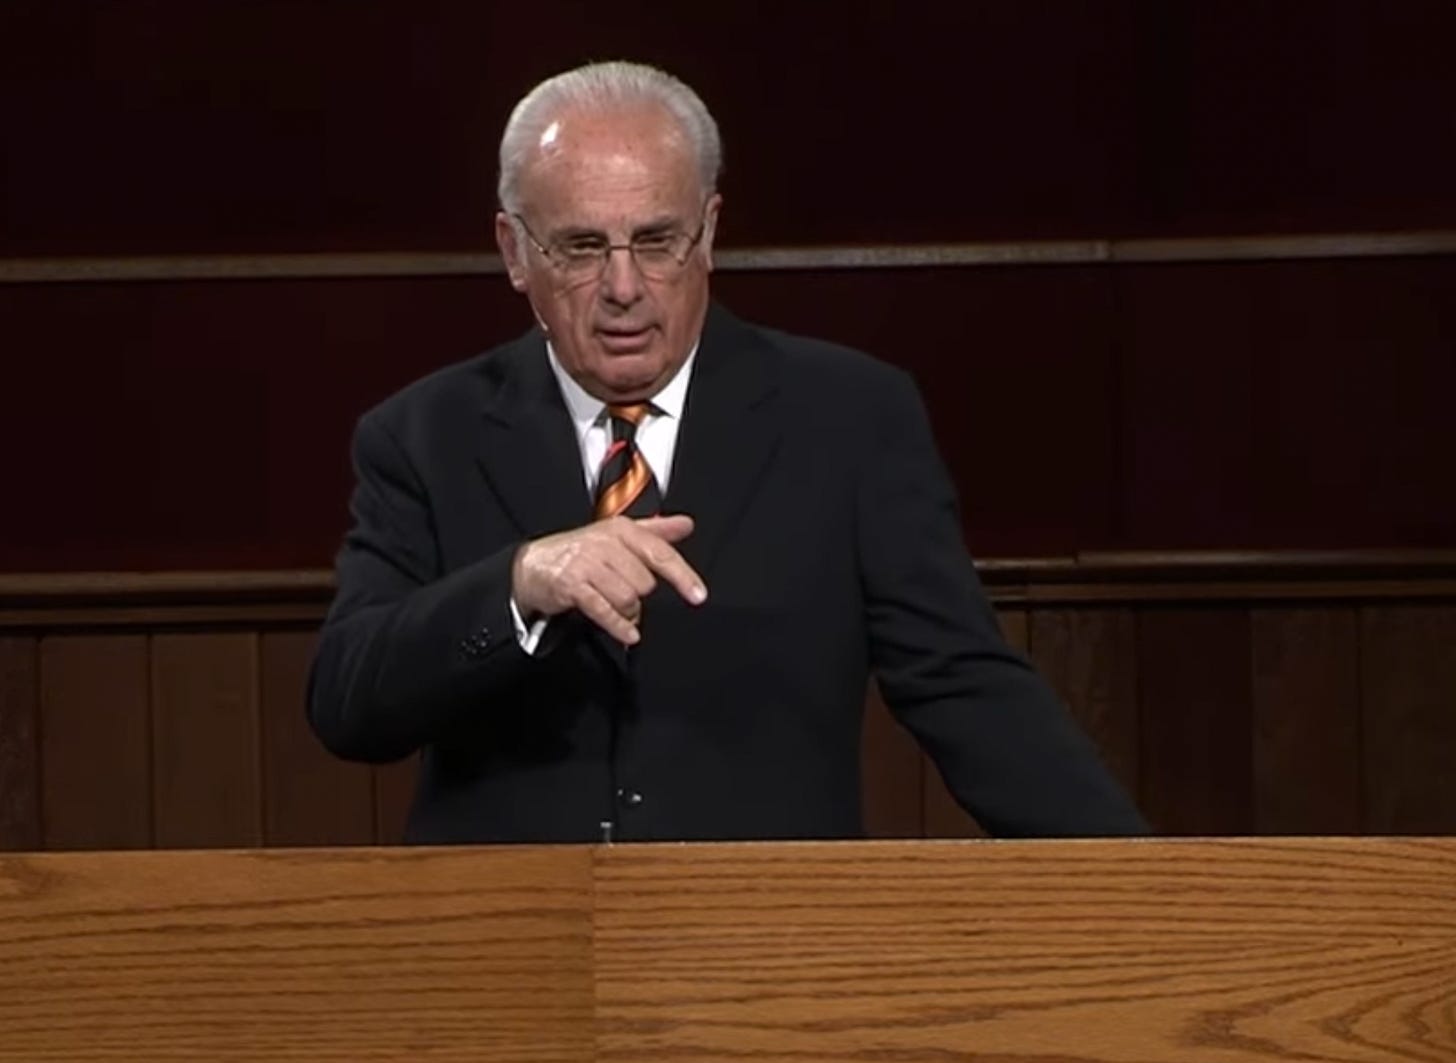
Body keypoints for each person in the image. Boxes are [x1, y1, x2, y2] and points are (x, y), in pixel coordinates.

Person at [307, 60, 1147, 843]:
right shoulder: (424, 435)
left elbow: (965, 685)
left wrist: (1147, 884)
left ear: (708, 232)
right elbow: (347, 700)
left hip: (761, 931)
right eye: (583, 248)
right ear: (514, 250)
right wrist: (520, 584)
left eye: (657, 240)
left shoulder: (850, 419)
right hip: (513, 934)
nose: (624, 288)